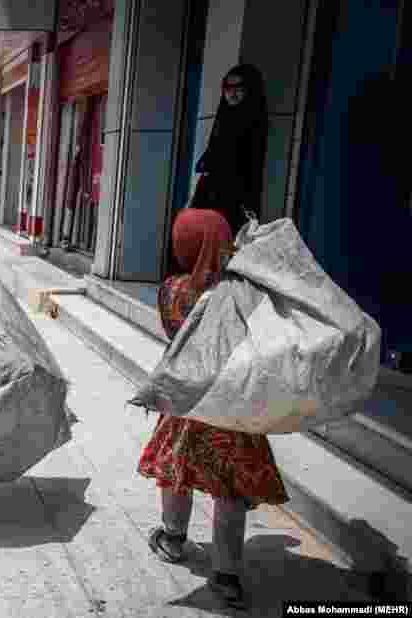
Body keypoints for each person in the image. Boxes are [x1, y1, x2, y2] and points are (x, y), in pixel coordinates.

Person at [137, 208, 289, 610]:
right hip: (232, 408)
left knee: (176, 473)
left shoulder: (170, 289)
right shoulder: (237, 296)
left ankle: (172, 538)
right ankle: (227, 575)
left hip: (186, 403)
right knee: (230, 489)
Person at [194, 64, 269, 235]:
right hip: (211, 200)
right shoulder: (224, 120)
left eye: (239, 88)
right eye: (228, 88)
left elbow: (252, 168)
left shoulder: (254, 124)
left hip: (236, 204)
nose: (232, 93)